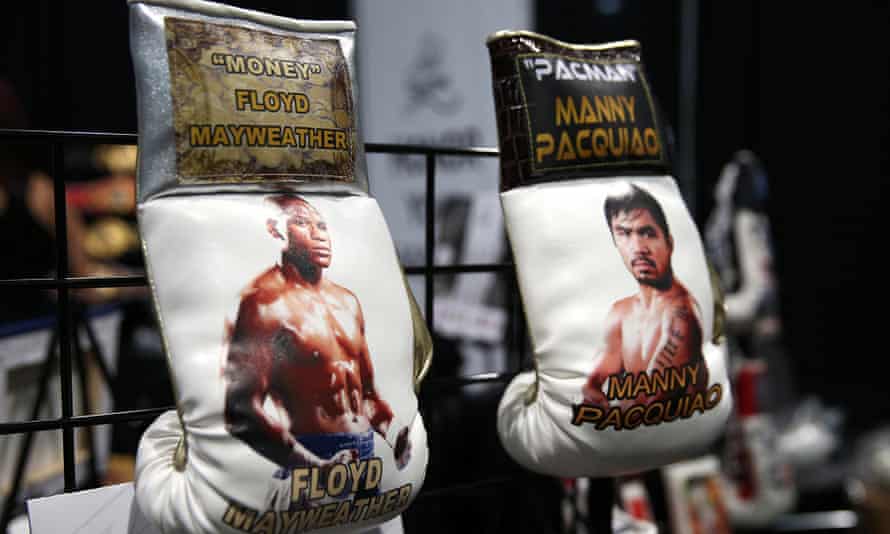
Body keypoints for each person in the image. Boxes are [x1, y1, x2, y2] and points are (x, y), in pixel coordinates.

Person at [223, 195, 411, 483]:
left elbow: (367, 396)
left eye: (322, 225)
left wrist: (395, 430)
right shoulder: (265, 305)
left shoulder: (347, 302)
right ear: (277, 231)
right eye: (301, 223)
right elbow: (242, 411)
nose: (318, 234)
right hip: (310, 451)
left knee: (366, 527)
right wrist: (311, 465)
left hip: (365, 453)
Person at [582, 183, 708, 407]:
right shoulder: (620, 313)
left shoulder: (682, 315)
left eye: (647, 233)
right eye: (624, 234)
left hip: (675, 440)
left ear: (668, 243)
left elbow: (650, 407)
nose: (638, 247)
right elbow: (592, 385)